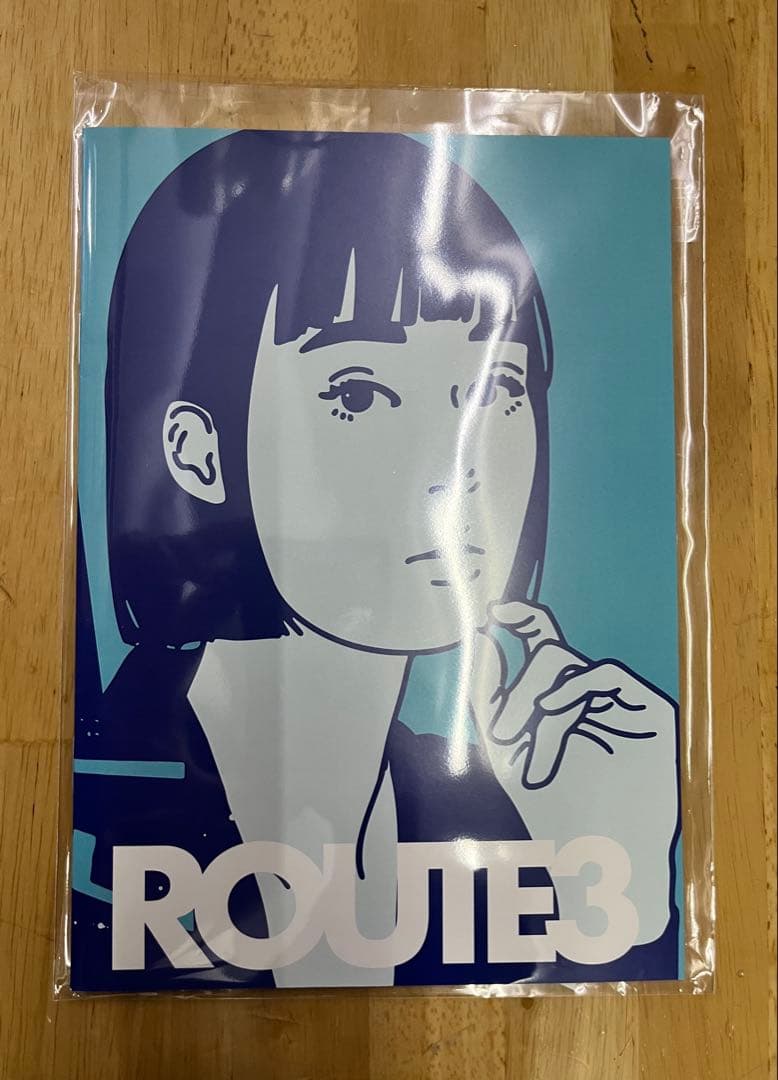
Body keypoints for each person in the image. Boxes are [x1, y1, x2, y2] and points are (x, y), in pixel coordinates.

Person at [72, 130, 680, 991]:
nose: (452, 465)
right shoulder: (101, 802)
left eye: (495, 388)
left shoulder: (492, 808)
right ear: (197, 452)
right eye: (357, 393)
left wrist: (622, 883)